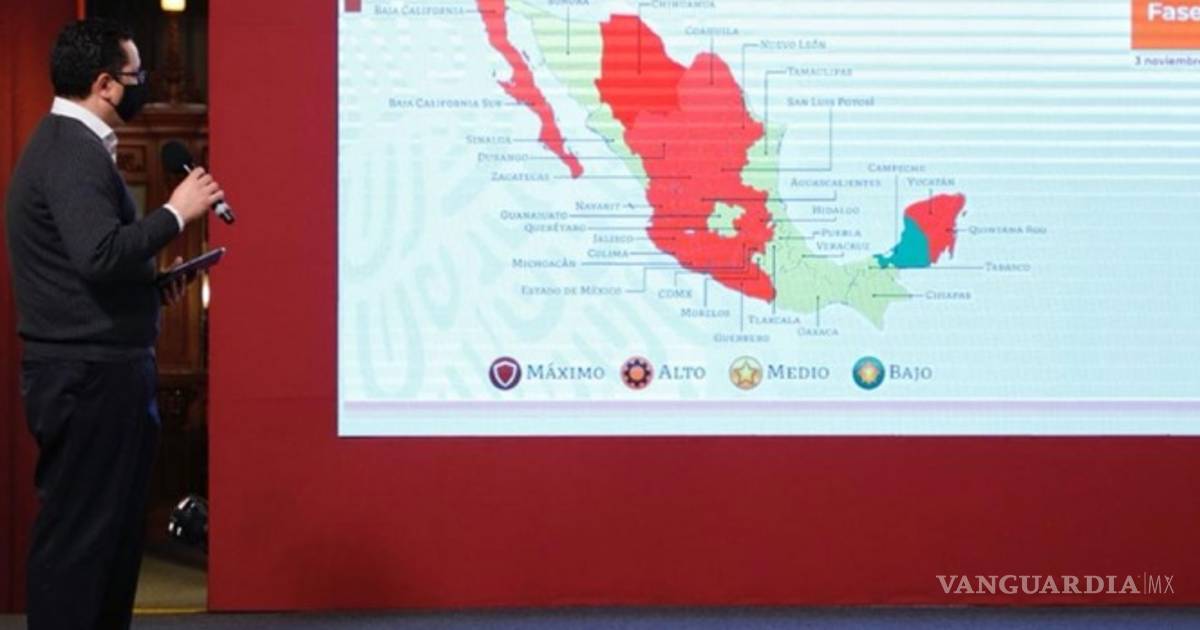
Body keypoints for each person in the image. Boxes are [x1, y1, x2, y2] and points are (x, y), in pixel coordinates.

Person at [4, 18, 223, 630]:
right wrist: (175, 213)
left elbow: (92, 266)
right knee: (81, 542)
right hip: (88, 378)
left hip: (103, 371)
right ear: (104, 83)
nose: (142, 84)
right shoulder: (70, 149)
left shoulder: (72, 146)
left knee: (111, 542)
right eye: (135, 75)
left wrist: (148, 287)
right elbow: (98, 253)